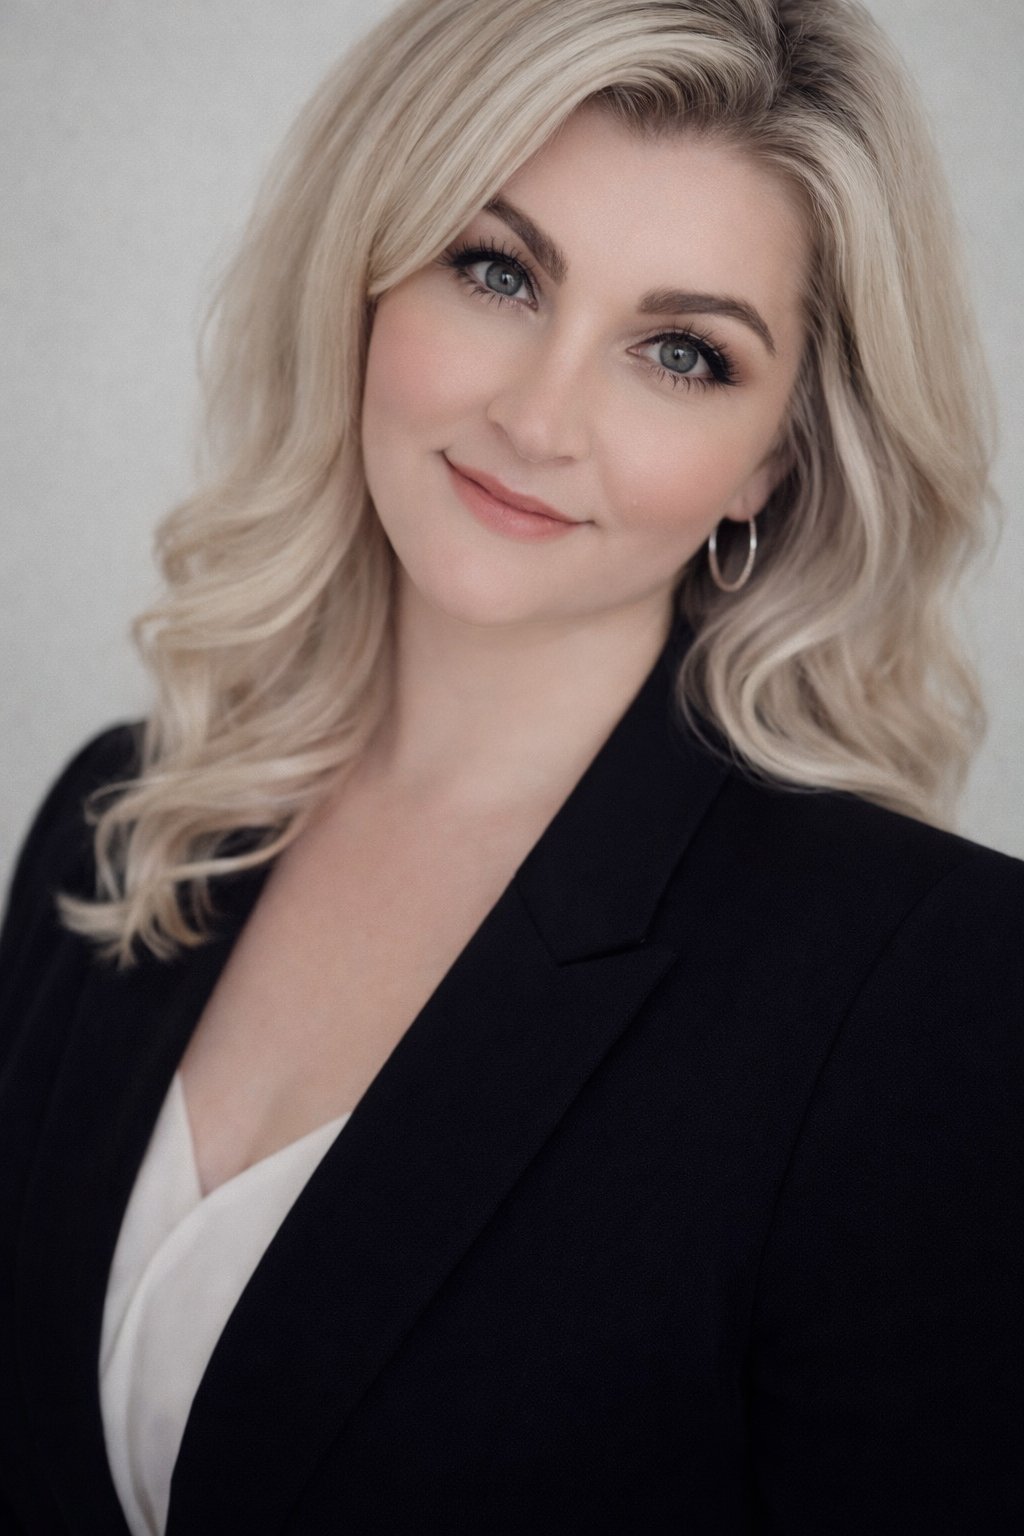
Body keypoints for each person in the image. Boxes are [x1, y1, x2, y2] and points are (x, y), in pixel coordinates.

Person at [1, 0, 1021, 1530]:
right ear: (365, 276)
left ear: (776, 459)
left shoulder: (935, 983)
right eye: (496, 271)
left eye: (682, 353)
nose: (539, 417)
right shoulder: (119, 820)